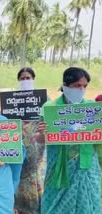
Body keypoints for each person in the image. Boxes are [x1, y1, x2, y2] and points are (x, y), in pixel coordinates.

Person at [39, 67, 101, 214]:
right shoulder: (50, 108)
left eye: (84, 86)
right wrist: (43, 133)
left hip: (87, 168)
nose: (81, 89)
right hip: (59, 168)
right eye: (77, 85)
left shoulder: (91, 108)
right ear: (66, 85)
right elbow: (40, 139)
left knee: (89, 204)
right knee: (56, 206)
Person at [14, 68, 46, 214]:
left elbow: (49, 121)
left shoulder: (44, 100)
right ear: (18, 81)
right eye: (22, 78)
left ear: (33, 79)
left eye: (28, 77)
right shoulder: (11, 100)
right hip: (19, 145)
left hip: (37, 146)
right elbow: (5, 123)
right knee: (20, 178)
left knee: (37, 175)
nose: (25, 80)